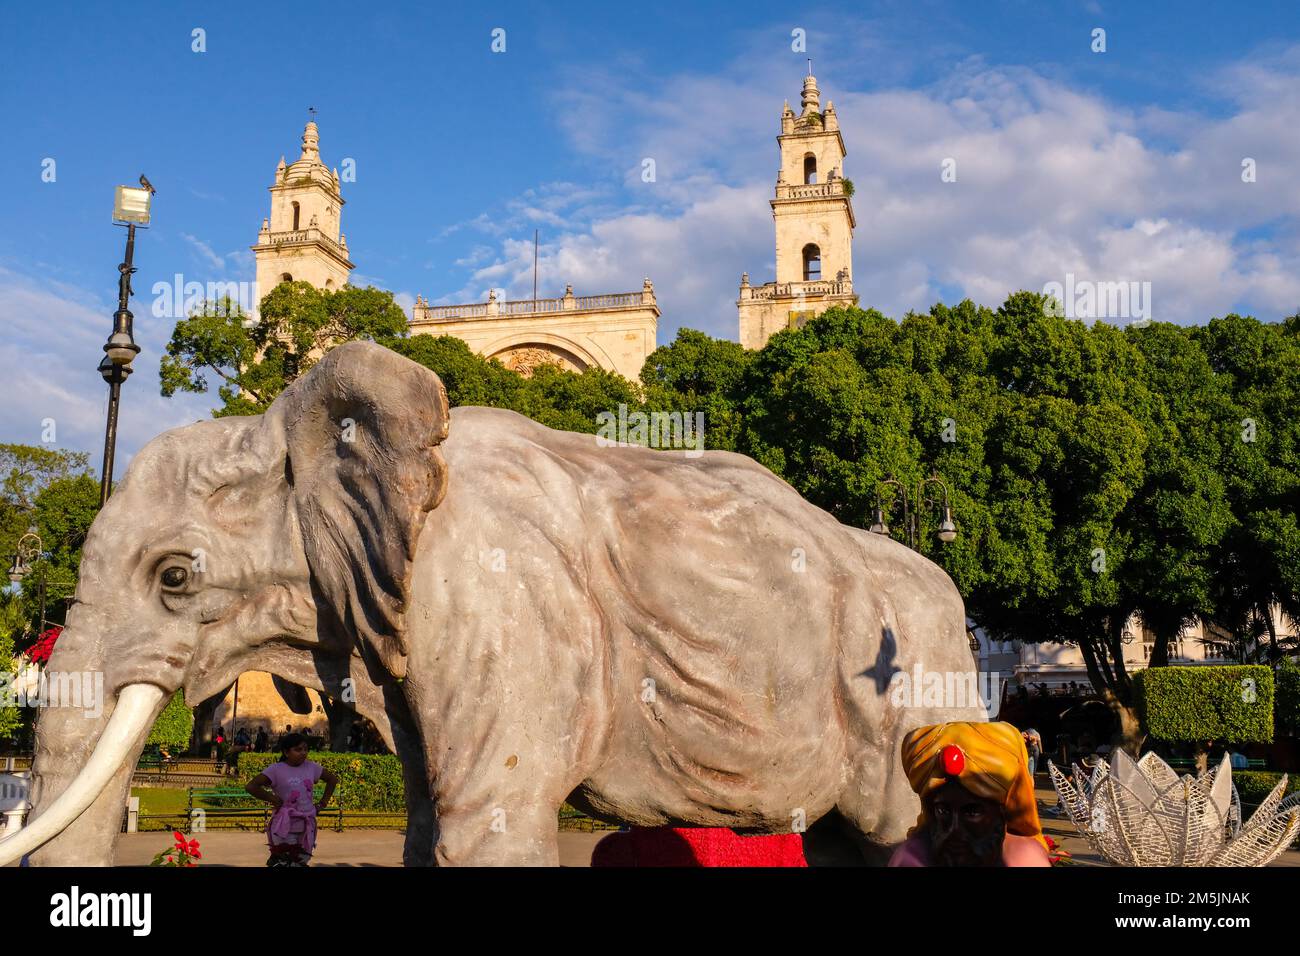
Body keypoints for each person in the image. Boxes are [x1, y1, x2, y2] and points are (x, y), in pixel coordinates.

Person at [888, 721, 1051, 867]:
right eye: (943, 811)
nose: (954, 830)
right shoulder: (911, 858)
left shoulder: (1024, 859)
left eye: (972, 812)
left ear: (1001, 811)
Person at [245, 733, 338, 867]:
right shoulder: (276, 770)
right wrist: (273, 799)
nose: (303, 753)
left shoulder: (311, 767)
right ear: (286, 752)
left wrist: (322, 803)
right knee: (286, 862)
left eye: (305, 749)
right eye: (298, 749)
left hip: (306, 827)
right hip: (284, 827)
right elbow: (251, 786)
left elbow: (332, 779)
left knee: (301, 862)